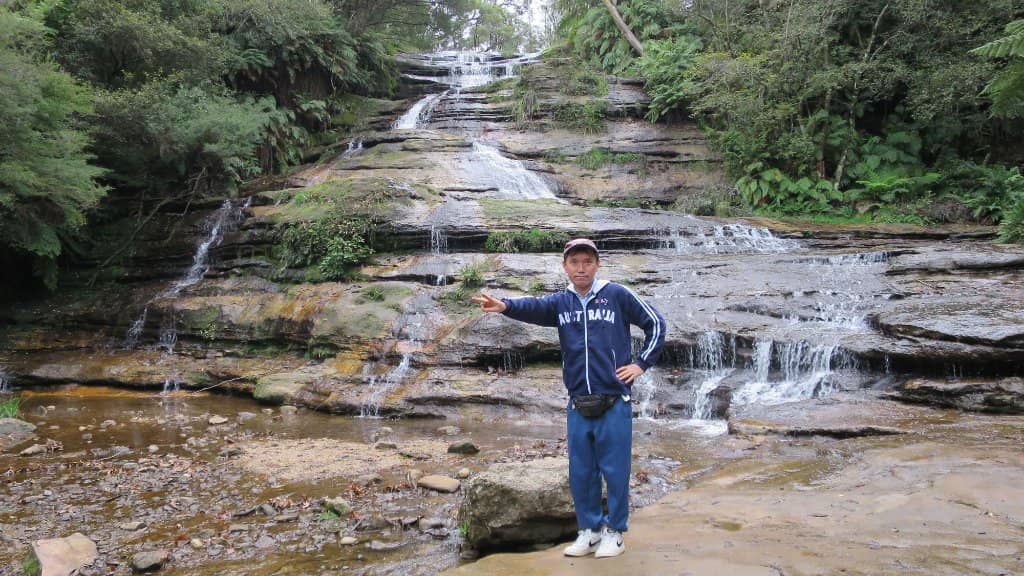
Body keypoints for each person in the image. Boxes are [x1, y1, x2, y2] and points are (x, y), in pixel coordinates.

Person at [471, 237, 666, 559]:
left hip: (614, 401)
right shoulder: (562, 302)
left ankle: (615, 532)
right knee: (581, 472)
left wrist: (641, 363)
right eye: (574, 262)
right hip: (578, 403)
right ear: (565, 267)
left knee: (615, 471)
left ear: (597, 264)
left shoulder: (616, 295)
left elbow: (655, 323)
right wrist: (504, 306)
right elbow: (532, 306)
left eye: (587, 261)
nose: (581, 268)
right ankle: (588, 531)